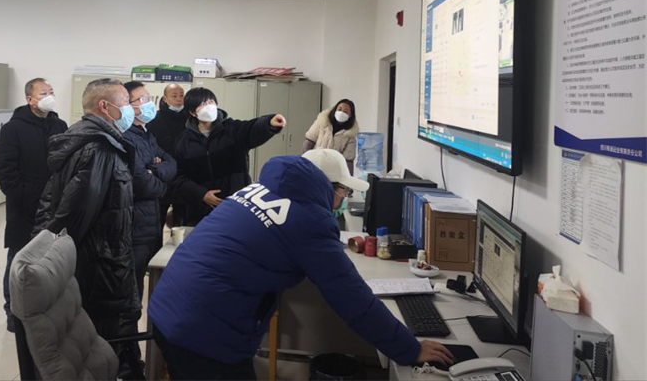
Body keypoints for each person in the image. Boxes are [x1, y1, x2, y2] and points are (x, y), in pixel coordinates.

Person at [148, 149, 453, 380]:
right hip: (204, 332)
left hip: (169, 308)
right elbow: (352, 299)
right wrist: (409, 348)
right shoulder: (310, 222)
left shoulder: (255, 189)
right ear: (328, 186)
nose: (344, 199)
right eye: (344, 191)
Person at [33, 78, 140, 346]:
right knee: (104, 338)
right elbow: (74, 215)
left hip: (98, 259)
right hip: (101, 264)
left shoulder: (86, 139)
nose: (130, 109)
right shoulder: (99, 149)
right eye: (126, 102)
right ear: (105, 106)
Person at [0, 77, 67, 332]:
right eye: (43, 92)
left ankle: (44, 306)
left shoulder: (59, 125)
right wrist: (22, 197)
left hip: (54, 206)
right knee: (19, 260)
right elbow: (5, 169)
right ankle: (13, 311)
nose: (49, 96)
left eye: (51, 91)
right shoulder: (13, 128)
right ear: (30, 99)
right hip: (25, 208)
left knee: (50, 259)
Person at [122, 81, 177, 373]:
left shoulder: (146, 133)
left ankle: (134, 359)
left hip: (149, 223)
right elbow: (141, 184)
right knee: (129, 299)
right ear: (125, 105)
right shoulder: (126, 137)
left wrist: (154, 169)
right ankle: (127, 364)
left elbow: (171, 163)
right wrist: (158, 178)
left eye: (148, 98)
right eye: (140, 100)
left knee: (139, 292)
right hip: (133, 226)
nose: (147, 104)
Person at [172, 87, 286, 226]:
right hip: (201, 211)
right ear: (192, 112)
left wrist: (269, 123)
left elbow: (251, 129)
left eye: (211, 102)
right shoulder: (184, 142)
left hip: (236, 204)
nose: (208, 106)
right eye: (202, 104)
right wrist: (202, 195)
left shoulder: (232, 130)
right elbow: (179, 177)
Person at [146, 83, 186, 230]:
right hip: (162, 175)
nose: (179, 99)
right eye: (174, 96)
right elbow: (148, 144)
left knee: (181, 223)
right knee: (158, 220)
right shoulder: (155, 119)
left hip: (184, 176)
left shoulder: (190, 118)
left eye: (181, 95)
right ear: (165, 98)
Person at [302, 99, 359, 173]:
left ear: (350, 115)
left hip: (333, 171)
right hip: (313, 166)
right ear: (335, 109)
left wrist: (348, 178)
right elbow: (308, 142)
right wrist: (306, 163)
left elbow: (348, 161)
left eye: (345, 111)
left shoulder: (350, 135)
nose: (341, 113)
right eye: (339, 109)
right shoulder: (321, 123)